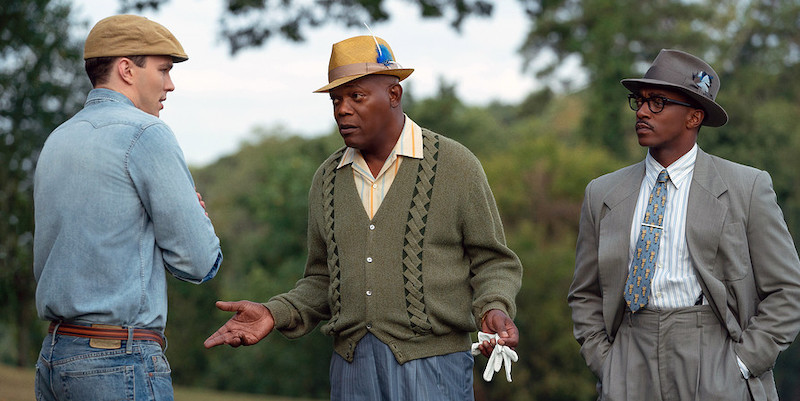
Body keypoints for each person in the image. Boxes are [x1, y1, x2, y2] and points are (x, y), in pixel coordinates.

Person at [203, 35, 523, 400]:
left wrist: (494, 306)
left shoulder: (455, 165)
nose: (342, 109)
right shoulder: (328, 179)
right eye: (336, 100)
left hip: (434, 367)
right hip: (352, 368)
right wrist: (274, 313)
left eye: (356, 96)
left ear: (393, 95)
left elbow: (493, 261)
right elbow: (322, 279)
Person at [568, 49, 800, 401]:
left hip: (715, 354)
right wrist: (607, 363)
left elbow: (787, 290)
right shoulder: (601, 193)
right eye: (640, 101)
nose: (642, 112)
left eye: (658, 102)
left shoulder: (747, 187)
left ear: (694, 117)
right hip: (629, 356)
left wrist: (741, 364)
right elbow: (584, 293)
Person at [33, 14, 222, 401]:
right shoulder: (147, 133)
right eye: (163, 70)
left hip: (54, 357)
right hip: (118, 359)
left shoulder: (58, 139)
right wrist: (192, 218)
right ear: (126, 69)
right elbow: (199, 261)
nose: (170, 84)